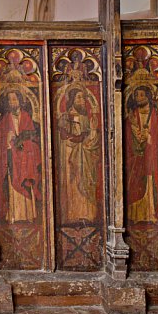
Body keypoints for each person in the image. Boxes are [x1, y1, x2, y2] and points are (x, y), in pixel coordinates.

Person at [0, 90, 41, 223]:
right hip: (12, 158)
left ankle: (28, 215)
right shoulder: (5, 120)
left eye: (14, 99)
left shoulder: (26, 117)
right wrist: (6, 141)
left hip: (26, 159)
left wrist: (21, 140)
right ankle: (13, 215)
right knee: (11, 182)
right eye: (9, 100)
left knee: (26, 181)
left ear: (20, 101)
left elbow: (32, 135)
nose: (12, 102)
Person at [55, 88, 100, 221]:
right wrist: (74, 139)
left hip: (85, 159)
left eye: (83, 98)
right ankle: (72, 214)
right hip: (69, 157)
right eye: (79, 98)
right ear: (72, 100)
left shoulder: (85, 119)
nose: (82, 101)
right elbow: (62, 138)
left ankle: (87, 214)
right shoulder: (65, 117)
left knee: (85, 182)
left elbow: (90, 141)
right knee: (72, 183)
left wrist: (92, 131)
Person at [125, 86, 158, 223]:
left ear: (148, 96)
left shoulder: (156, 117)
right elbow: (126, 137)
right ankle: (136, 216)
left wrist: (149, 138)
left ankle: (151, 214)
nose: (139, 98)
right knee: (135, 184)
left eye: (142, 95)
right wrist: (135, 136)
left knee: (150, 182)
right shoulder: (131, 117)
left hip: (151, 157)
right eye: (137, 95)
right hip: (137, 158)